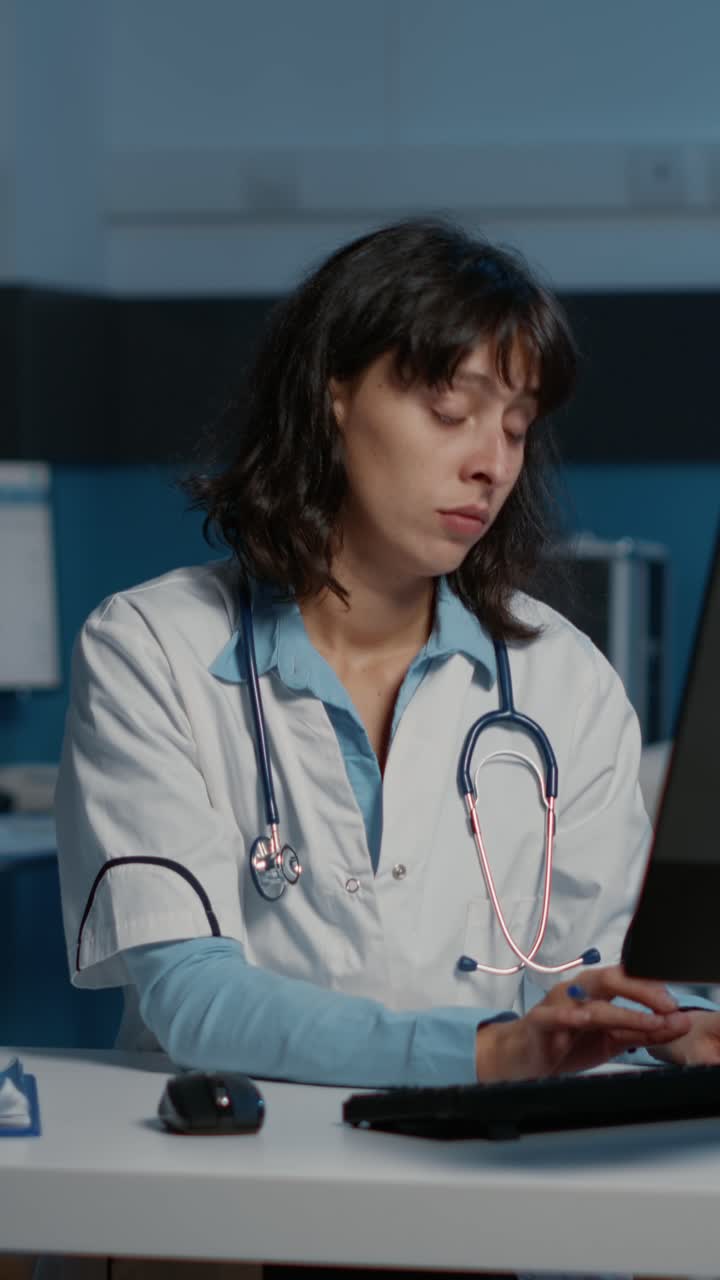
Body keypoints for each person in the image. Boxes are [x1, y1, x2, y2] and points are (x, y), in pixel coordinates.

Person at [56, 218, 720, 1100]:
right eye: (451, 411)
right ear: (334, 393)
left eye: (517, 428)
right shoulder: (150, 648)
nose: (491, 463)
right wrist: (488, 1053)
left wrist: (669, 1020)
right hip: (227, 1195)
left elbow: (587, 975)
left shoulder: (565, 680)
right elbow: (194, 1000)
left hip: (478, 1196)